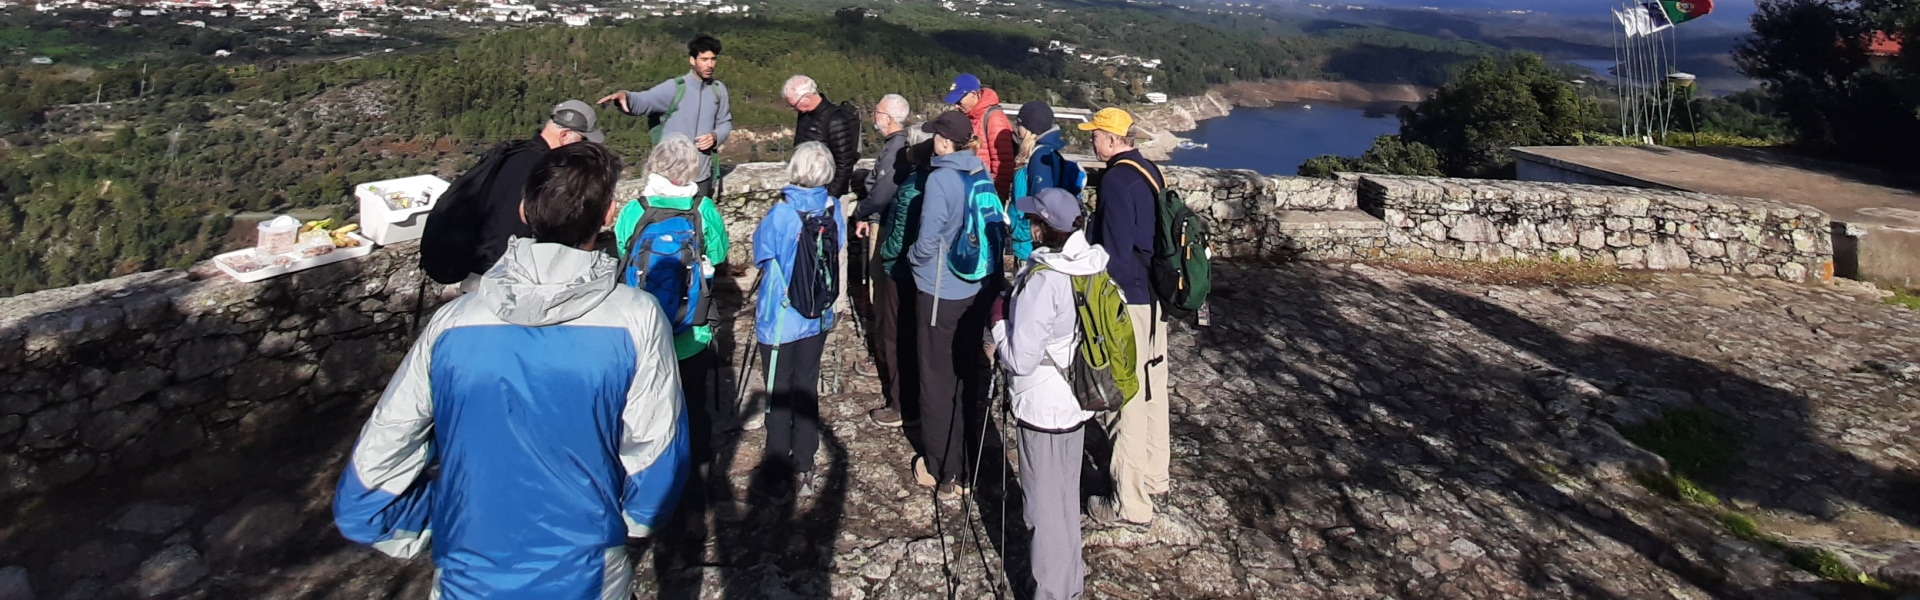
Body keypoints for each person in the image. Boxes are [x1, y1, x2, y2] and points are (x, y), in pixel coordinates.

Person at [334, 142, 689, 599]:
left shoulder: (452, 324)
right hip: (585, 570)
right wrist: (623, 524)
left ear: (524, 210)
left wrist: (447, 521)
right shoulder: (636, 318)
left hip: (468, 571)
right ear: (608, 216)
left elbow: (369, 483)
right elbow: (656, 464)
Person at [990, 187, 1107, 600]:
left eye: (1033, 220)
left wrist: (999, 321)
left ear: (1043, 228)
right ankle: (1068, 586)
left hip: (1042, 407)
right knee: (1063, 503)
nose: (1028, 225)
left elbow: (1020, 359)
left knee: (1043, 511)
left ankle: (1052, 593)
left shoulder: (1047, 281)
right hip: (1076, 401)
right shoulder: (1092, 265)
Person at [611, 134, 729, 469]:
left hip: (643, 331)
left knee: (647, 402)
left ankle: (651, 467)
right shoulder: (702, 209)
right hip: (691, 331)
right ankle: (698, 470)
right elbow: (718, 255)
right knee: (693, 402)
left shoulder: (636, 210)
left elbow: (623, 256)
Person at [1080, 107, 1170, 527]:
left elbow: (1113, 254)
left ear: (1113, 139)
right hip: (1153, 297)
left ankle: (1129, 503)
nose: (1091, 142)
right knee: (1154, 387)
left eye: (1095, 136)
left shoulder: (1116, 179)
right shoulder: (1148, 170)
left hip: (1128, 298)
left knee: (1127, 396)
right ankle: (1155, 477)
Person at [750, 141, 846, 498]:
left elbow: (762, 253)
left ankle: (777, 468)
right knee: (806, 386)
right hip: (817, 315)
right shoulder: (833, 208)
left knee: (778, 391)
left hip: (780, 319)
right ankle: (805, 462)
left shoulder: (781, 214)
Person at [420, 100, 600, 287]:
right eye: (583, 140)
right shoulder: (540, 170)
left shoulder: (512, 153)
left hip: (479, 272)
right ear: (564, 136)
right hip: (498, 281)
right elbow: (514, 229)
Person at [909, 111, 990, 500]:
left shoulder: (941, 178)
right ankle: (969, 460)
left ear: (943, 141)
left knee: (936, 379)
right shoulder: (980, 171)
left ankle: (944, 469)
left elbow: (928, 239)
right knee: (965, 375)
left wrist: (912, 259)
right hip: (975, 287)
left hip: (941, 290)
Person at [599, 34, 732, 201]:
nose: (710, 65)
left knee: (698, 225)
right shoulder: (675, 88)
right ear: (692, 60)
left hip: (702, 177)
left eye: (713, 59)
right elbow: (644, 101)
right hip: (670, 178)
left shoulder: (718, 90)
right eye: (704, 59)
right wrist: (626, 97)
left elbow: (725, 122)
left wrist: (715, 136)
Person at [852, 94, 918, 428]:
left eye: (876, 112)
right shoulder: (899, 144)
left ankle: (884, 359)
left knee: (883, 297)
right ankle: (882, 352)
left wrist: (862, 210)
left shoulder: (895, 148)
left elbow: (883, 189)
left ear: (889, 118)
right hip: (884, 220)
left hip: (887, 225)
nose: (873, 117)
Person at [1009, 101, 1081, 262]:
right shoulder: (1047, 152)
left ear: (1029, 128)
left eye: (1019, 124)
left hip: (1030, 244)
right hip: (1031, 240)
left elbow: (1042, 202)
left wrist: (1022, 230)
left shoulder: (1038, 158)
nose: (1016, 127)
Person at [784, 75, 861, 199]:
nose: (793, 109)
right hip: (805, 190)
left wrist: (830, 198)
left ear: (807, 98)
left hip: (827, 192)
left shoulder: (836, 120)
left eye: (794, 105)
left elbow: (844, 164)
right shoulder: (804, 116)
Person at [944, 73, 1016, 199]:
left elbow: (1003, 163)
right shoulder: (970, 116)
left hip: (986, 191)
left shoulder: (994, 118)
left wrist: (997, 196)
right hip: (971, 188)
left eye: (959, 101)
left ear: (973, 95)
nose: (956, 106)